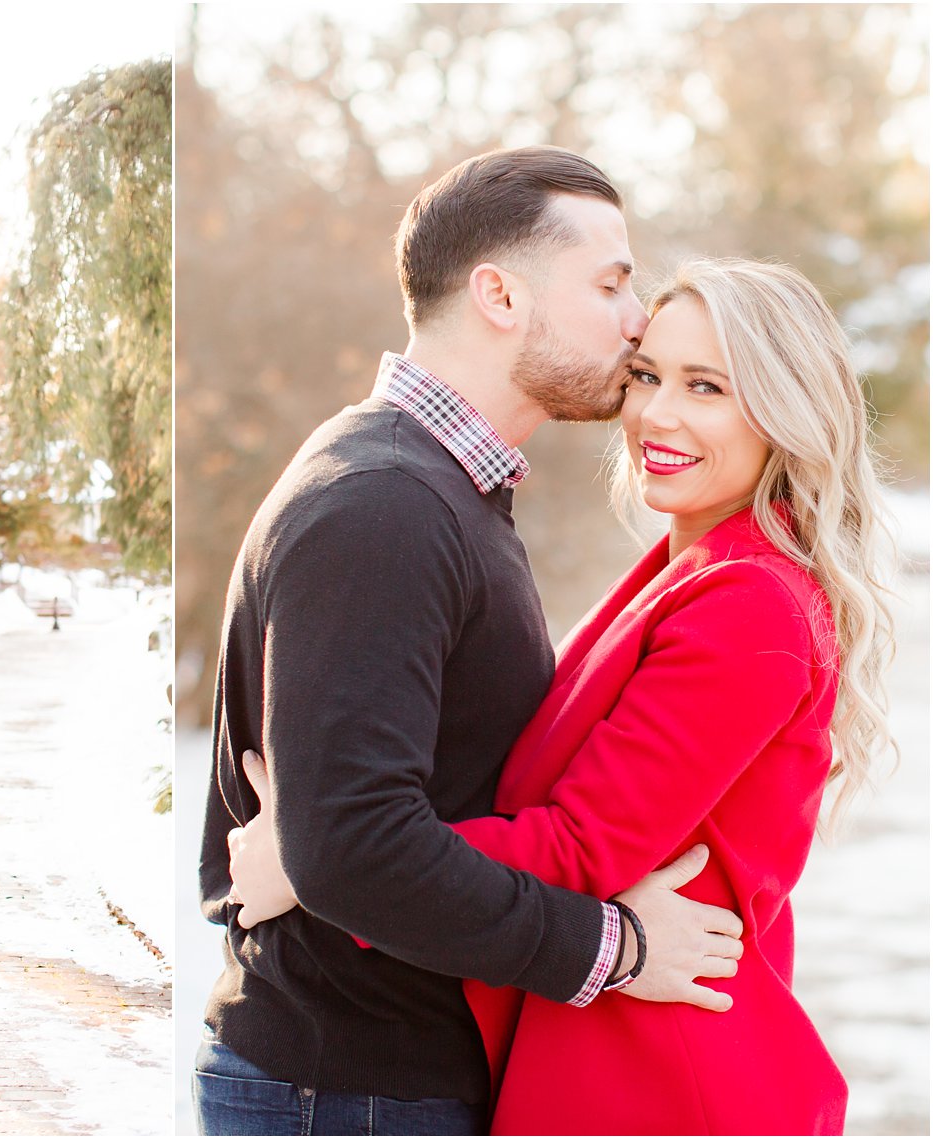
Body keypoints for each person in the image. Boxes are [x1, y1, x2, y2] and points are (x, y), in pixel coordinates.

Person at [227, 259, 896, 1134]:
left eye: (707, 387)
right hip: (604, 1056)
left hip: (658, 1083)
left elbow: (583, 845)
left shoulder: (751, 604)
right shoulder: (691, 569)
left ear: (785, 412)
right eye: (647, 375)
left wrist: (324, 866)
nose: (657, 412)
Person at [194, 147, 746, 1137]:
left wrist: (319, 855)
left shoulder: (436, 488)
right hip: (350, 1089)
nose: (635, 317)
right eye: (610, 282)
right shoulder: (385, 505)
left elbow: (371, 822)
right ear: (498, 293)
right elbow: (354, 845)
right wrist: (611, 947)